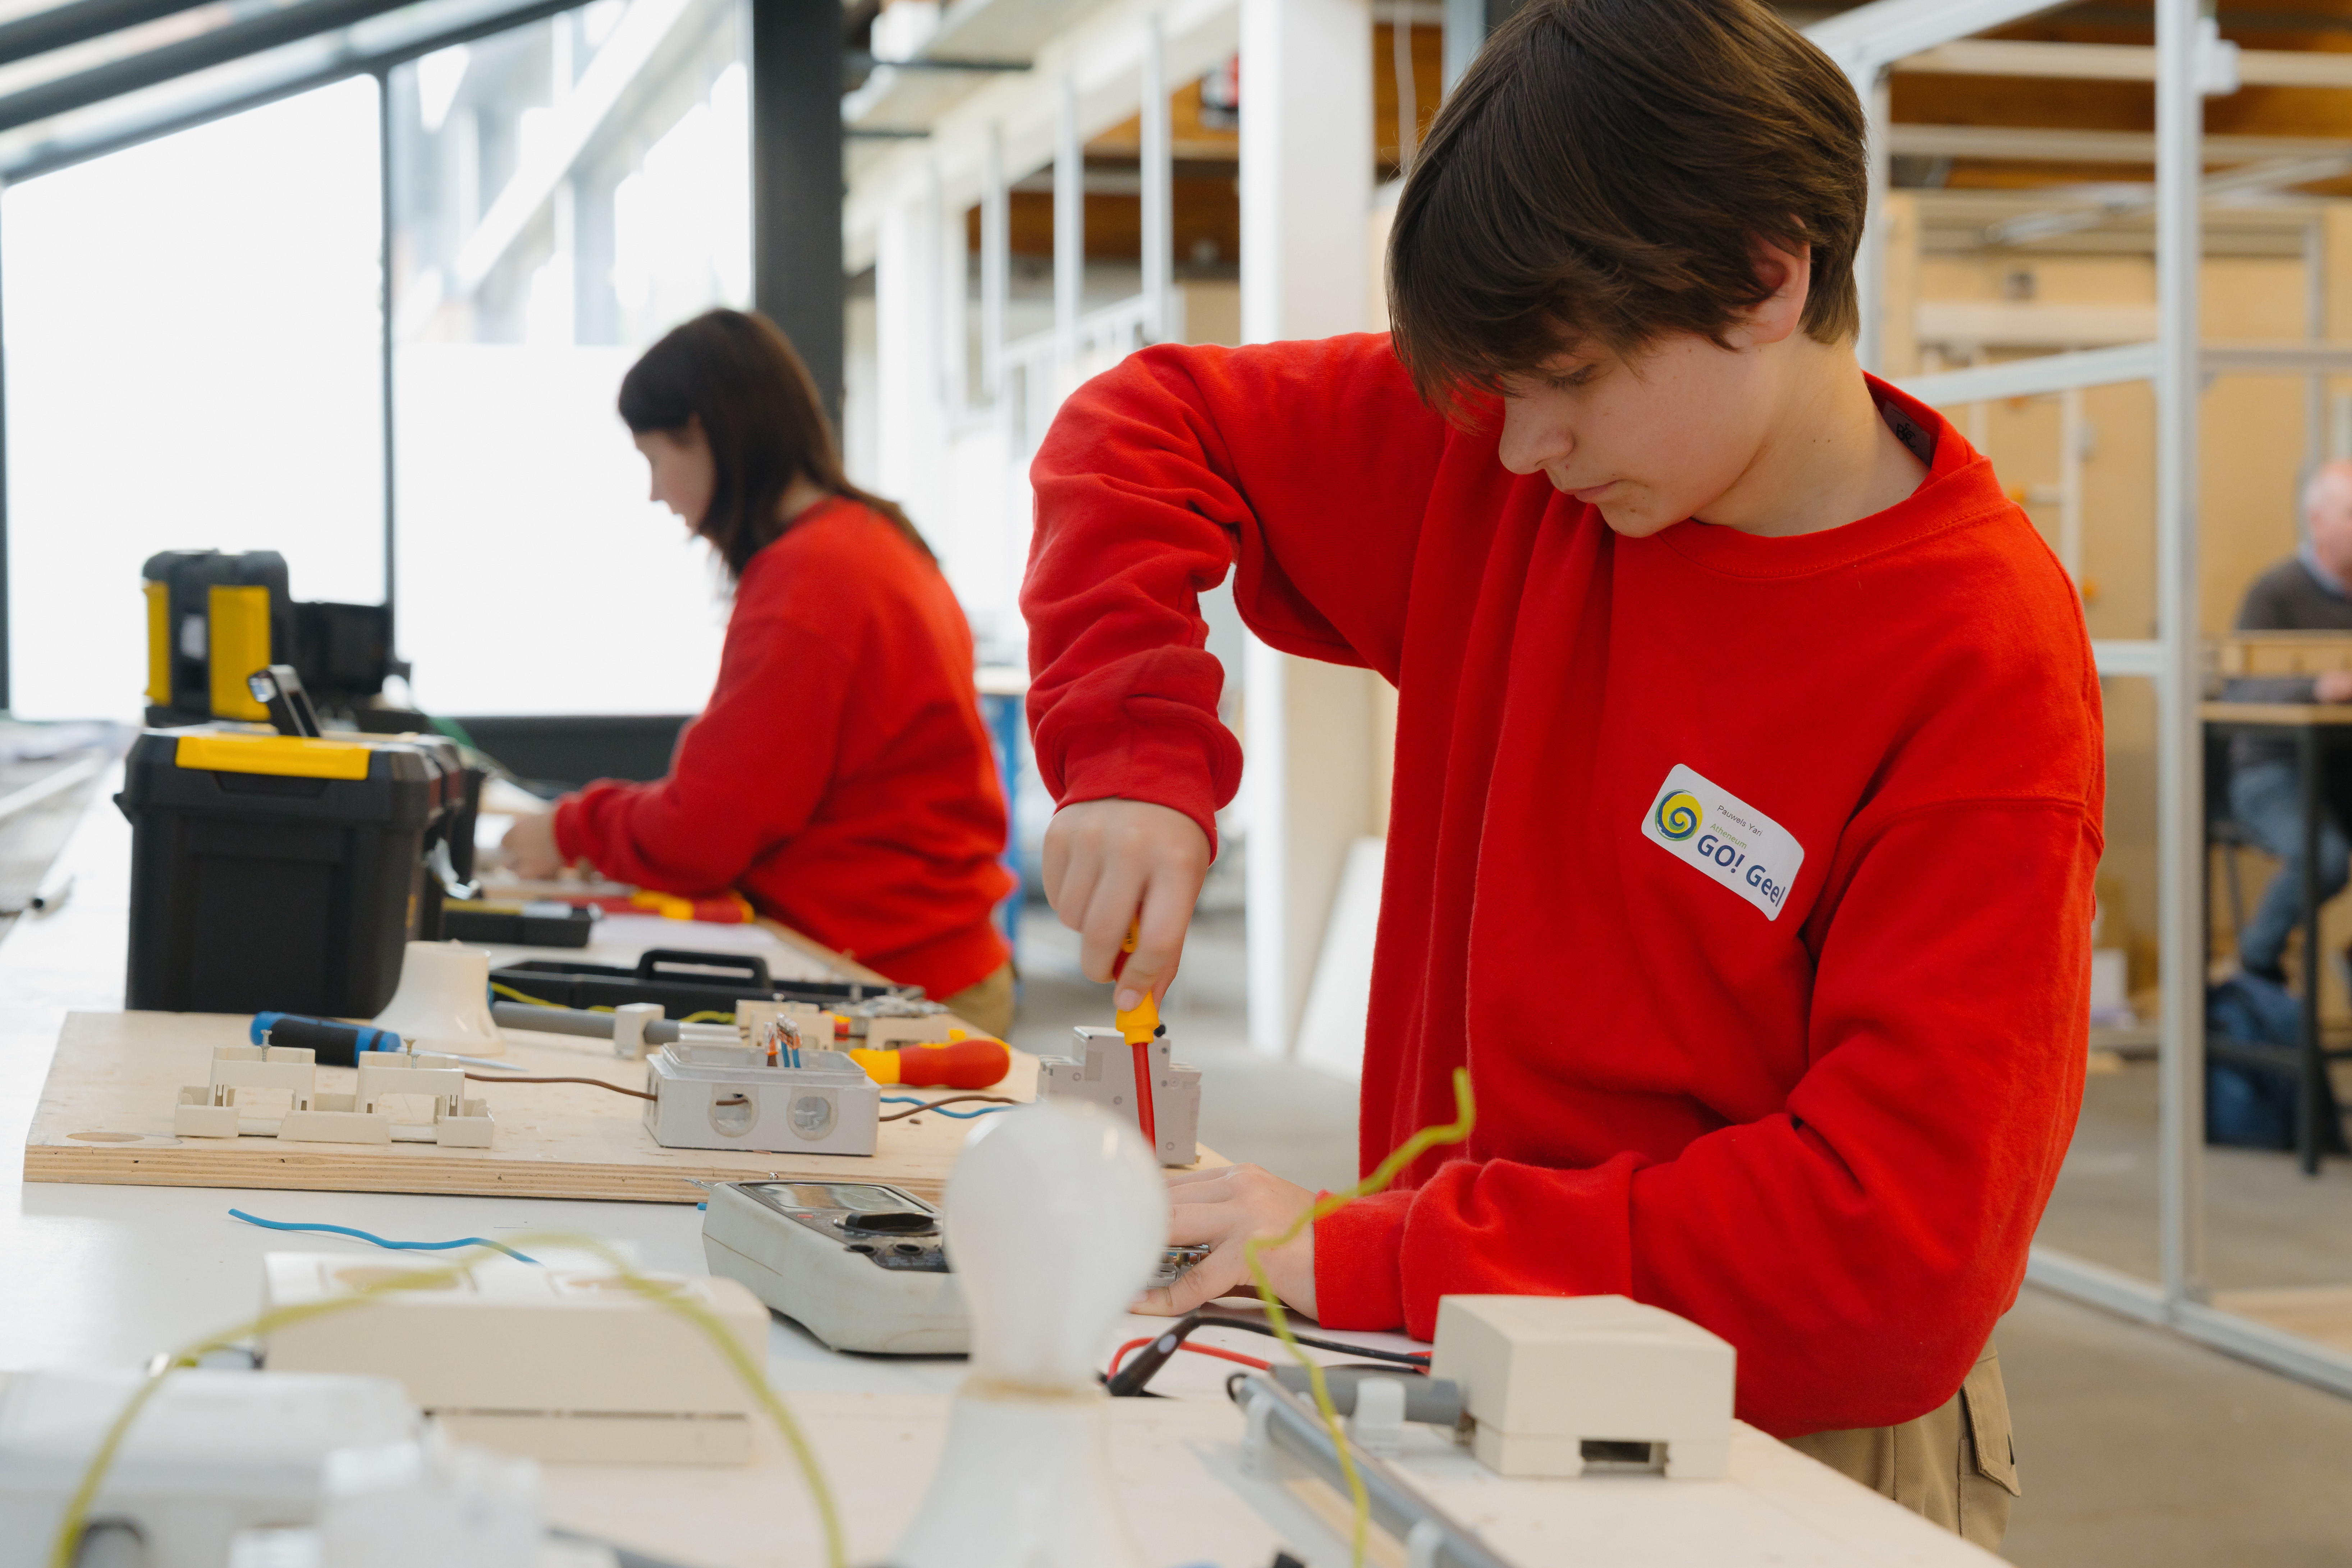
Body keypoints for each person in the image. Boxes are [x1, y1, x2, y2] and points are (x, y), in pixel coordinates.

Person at [1021, 0, 2100, 1548]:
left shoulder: (1976, 665)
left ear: (1762, 271)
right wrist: (1128, 749)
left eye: (1569, 380)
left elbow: (1887, 1258)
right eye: (1490, 394)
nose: (1518, 448)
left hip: (1767, 1441)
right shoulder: (1526, 460)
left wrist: (1386, 1255)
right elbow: (1146, 424)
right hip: (1454, 1360)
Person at [502, 310, 1016, 1037]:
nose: (656, 493)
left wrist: (569, 831)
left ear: (704, 433)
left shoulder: (809, 581)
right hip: (929, 966)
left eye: (654, 459)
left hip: (888, 980)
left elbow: (708, 828)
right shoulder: (872, 539)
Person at [2224, 460, 2352, 985]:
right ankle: (2255, 967)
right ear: (2316, 520)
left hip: (2340, 766)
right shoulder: (2273, 592)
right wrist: (2317, 687)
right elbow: (2241, 687)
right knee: (2324, 858)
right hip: (2274, 767)